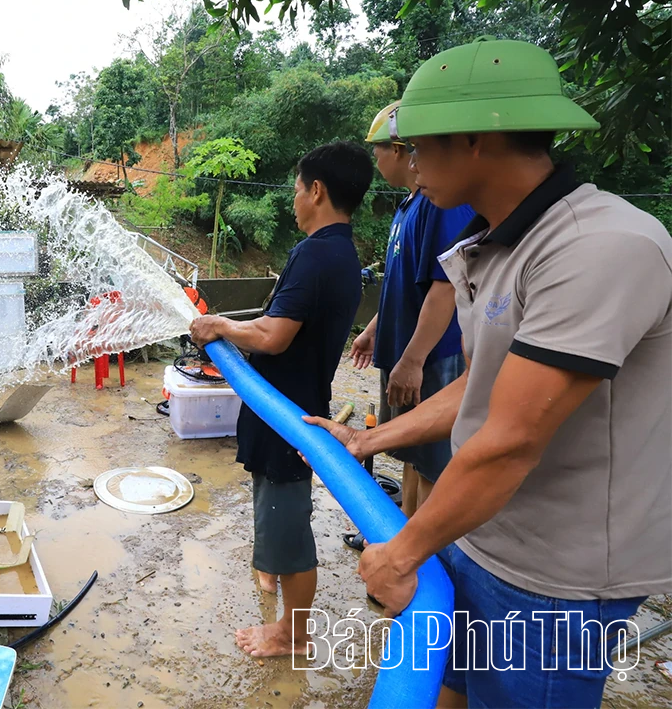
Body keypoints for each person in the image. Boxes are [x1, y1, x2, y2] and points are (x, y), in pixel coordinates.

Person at [306, 40, 672, 708]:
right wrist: (369, 441)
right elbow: (479, 389)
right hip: (481, 531)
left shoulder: (599, 247)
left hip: (556, 575)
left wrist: (402, 548)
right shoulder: (494, 245)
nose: (410, 167)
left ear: (476, 138)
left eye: (418, 147)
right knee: (447, 687)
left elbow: (511, 437)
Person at [189, 140, 373, 658]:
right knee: (273, 507)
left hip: (287, 413)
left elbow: (273, 336)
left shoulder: (317, 254)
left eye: (296, 189)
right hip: (290, 401)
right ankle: (271, 570)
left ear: (317, 190)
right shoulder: (339, 252)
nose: (293, 200)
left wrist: (220, 324)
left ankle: (293, 632)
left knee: (287, 518)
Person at [344, 102, 475, 552]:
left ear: (400, 149)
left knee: (435, 459)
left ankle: (421, 558)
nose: (375, 159)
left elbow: (445, 287)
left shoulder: (442, 208)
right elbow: (405, 285)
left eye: (378, 149)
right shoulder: (408, 208)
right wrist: (376, 329)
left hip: (431, 357)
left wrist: (414, 359)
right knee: (411, 453)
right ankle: (401, 536)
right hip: (405, 354)